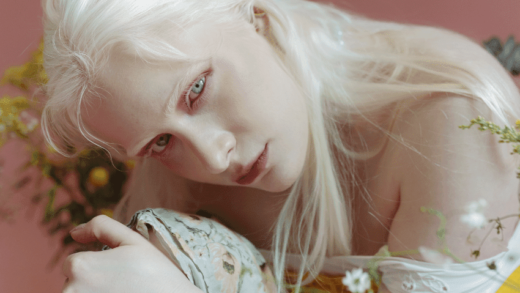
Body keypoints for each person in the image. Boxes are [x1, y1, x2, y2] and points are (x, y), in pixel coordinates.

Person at [40, 0, 520, 292]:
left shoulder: (448, 117)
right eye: (160, 141)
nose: (213, 156)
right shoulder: (179, 182)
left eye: (196, 90)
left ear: (254, 16)